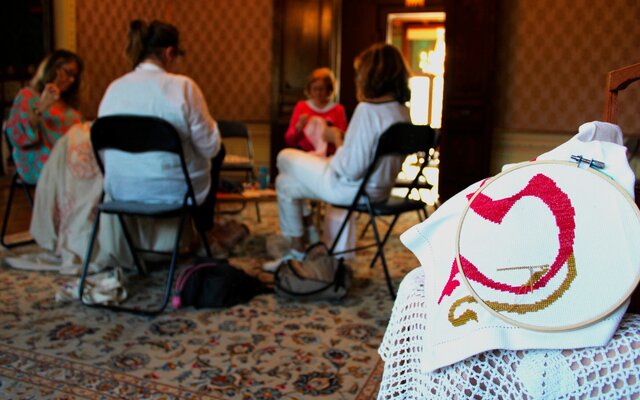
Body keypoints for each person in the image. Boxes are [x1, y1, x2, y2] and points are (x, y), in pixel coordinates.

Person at [264, 43, 412, 270]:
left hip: (349, 189)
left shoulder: (367, 110)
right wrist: (344, 141)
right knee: (285, 183)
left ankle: (298, 250)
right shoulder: (402, 111)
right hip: (379, 191)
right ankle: (298, 250)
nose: (358, 78)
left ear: (372, 75)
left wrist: (336, 139)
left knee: (284, 157)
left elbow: (350, 169)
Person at [98, 19, 223, 233]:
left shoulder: (113, 89)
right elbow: (210, 148)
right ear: (169, 53)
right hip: (174, 192)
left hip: (120, 190)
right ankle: (204, 229)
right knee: (219, 150)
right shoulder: (183, 86)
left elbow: (102, 153)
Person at [6, 50, 84, 184]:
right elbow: (16, 135)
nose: (72, 80)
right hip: (38, 160)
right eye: (68, 72)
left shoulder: (72, 111)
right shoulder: (27, 96)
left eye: (75, 76)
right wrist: (42, 107)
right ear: (53, 69)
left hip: (70, 162)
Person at [285, 67, 348, 157]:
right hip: (304, 156)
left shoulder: (338, 109)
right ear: (309, 89)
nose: (318, 93)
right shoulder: (301, 106)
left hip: (328, 157)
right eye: (314, 89)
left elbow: (344, 140)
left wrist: (332, 135)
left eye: (321, 89)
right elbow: (289, 140)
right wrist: (299, 127)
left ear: (329, 90)